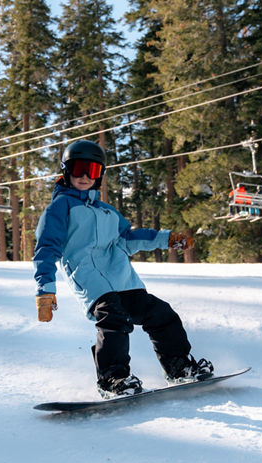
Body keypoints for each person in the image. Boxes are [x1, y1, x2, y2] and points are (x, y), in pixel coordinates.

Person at [33, 140, 213, 399]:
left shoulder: (107, 212)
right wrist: (45, 290)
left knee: (160, 313)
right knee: (113, 318)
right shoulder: (59, 208)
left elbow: (128, 238)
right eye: (79, 168)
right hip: (90, 280)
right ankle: (112, 379)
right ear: (66, 170)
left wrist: (167, 239)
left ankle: (179, 366)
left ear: (100, 176)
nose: (84, 176)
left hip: (122, 279)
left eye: (92, 171)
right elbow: (46, 249)